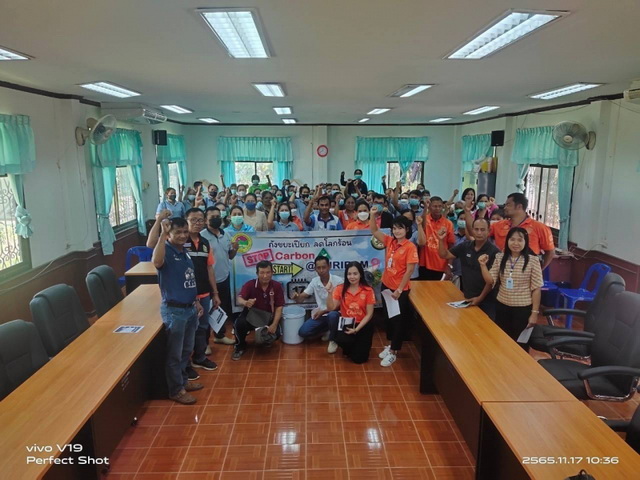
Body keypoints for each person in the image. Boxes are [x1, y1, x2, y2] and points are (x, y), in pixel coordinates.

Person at [151, 216, 204, 405]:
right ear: (169, 234)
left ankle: (183, 381)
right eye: (177, 232)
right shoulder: (166, 250)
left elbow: (189, 280)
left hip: (190, 309)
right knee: (174, 354)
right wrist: (162, 235)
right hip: (174, 311)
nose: (182, 236)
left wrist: (196, 300)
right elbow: (156, 262)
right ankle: (176, 391)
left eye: (185, 232)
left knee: (186, 351)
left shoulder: (184, 252)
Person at [479, 227, 543, 349]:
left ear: (525, 242)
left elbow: (536, 289)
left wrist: (534, 313)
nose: (515, 243)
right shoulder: (500, 257)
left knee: (520, 344)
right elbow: (490, 281)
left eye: (520, 240)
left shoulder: (533, 261)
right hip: (502, 306)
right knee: (501, 340)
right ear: (507, 241)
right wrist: (483, 266)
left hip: (523, 309)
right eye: (512, 239)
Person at [370, 210, 418, 367]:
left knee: (398, 321)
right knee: (389, 318)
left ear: (407, 230)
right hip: (386, 286)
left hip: (398, 291)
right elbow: (374, 230)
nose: (397, 231)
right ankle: (390, 345)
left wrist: (399, 290)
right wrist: (372, 215)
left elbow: (409, 271)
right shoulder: (390, 241)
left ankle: (394, 351)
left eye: (400, 228)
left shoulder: (410, 247)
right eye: (395, 228)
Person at [437, 217, 500, 320]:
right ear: (472, 230)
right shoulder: (465, 246)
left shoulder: (494, 252)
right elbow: (444, 255)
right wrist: (441, 240)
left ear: (489, 231)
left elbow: (491, 282)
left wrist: (479, 298)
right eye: (476, 229)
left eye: (482, 229)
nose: (479, 232)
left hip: (487, 300)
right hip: (467, 296)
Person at [487, 193, 555, 270]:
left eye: (508, 205)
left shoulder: (540, 228)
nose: (505, 208)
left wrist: (539, 270)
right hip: (503, 269)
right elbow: (479, 234)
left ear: (519, 206)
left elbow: (550, 252)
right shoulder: (497, 225)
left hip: (526, 271)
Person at [232, 261, 285, 360]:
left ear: (272, 273)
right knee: (239, 324)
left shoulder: (277, 286)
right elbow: (239, 298)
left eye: (268, 272)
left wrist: (274, 324)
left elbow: (279, 307)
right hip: (252, 314)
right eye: (262, 273)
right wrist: (245, 302)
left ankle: (265, 340)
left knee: (277, 333)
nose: (265, 276)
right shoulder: (250, 284)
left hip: (268, 316)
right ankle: (240, 346)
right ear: (257, 273)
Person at [201, 207, 238, 346]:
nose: (216, 219)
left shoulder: (226, 234)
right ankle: (204, 344)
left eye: (218, 216)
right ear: (206, 220)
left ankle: (220, 335)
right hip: (207, 280)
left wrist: (235, 249)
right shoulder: (202, 236)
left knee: (221, 309)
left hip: (224, 278)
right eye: (212, 217)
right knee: (207, 311)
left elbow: (230, 256)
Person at [326, 262, 376, 364]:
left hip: (363, 324)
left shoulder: (368, 290)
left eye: (355, 274)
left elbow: (369, 314)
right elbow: (331, 308)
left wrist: (356, 329)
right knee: (343, 343)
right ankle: (350, 346)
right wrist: (329, 293)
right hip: (347, 323)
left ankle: (357, 346)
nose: (352, 277)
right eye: (349, 274)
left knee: (359, 359)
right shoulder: (340, 288)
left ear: (360, 274)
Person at [294, 256, 344, 350]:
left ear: (329, 266)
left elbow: (337, 306)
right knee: (303, 332)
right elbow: (301, 299)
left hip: (336, 313)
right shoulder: (314, 281)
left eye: (324, 267)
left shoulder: (338, 281)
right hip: (321, 315)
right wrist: (297, 297)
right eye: (318, 268)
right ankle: (328, 330)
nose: (321, 270)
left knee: (332, 315)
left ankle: (333, 340)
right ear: (315, 269)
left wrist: (323, 311)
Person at [419, 196, 454, 280]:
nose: (437, 208)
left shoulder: (448, 223)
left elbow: (451, 246)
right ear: (430, 207)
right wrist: (425, 208)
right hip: (424, 264)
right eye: (434, 206)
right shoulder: (425, 220)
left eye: (440, 206)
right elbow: (421, 222)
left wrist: (449, 265)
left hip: (441, 265)